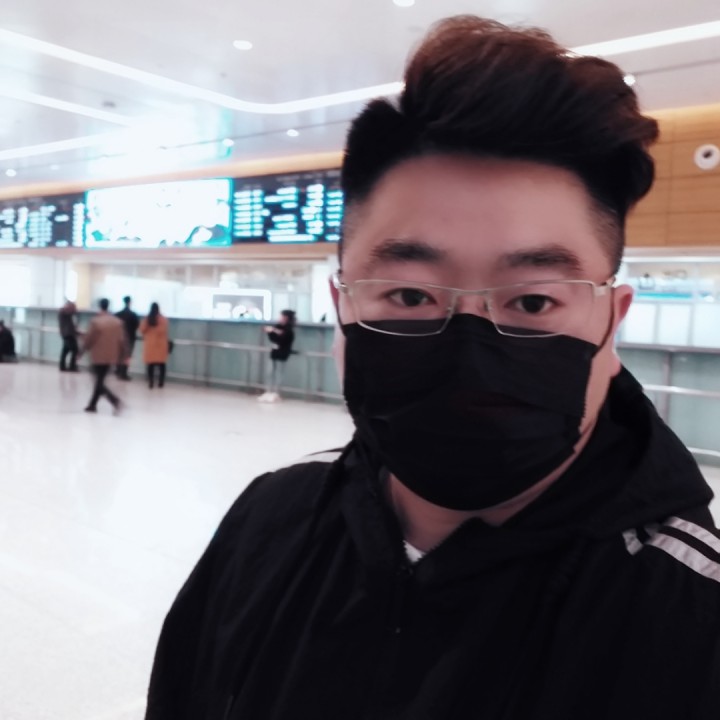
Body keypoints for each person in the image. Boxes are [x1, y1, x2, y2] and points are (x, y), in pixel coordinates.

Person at [145, 17, 720, 720]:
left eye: (533, 300)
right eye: (411, 296)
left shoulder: (691, 619)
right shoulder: (272, 519)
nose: (469, 350)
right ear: (342, 306)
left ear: (611, 320)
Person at [81, 298, 125, 413]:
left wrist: (81, 352)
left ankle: (115, 401)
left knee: (99, 382)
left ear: (99, 306)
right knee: (99, 380)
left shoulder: (96, 322)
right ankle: (92, 405)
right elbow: (121, 340)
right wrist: (124, 355)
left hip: (98, 356)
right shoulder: (117, 322)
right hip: (111, 355)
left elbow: (89, 339)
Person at [257, 309, 296, 402]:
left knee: (279, 373)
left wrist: (273, 332)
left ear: (286, 318)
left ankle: (276, 393)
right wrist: (270, 332)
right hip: (274, 353)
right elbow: (274, 339)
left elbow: (282, 340)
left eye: (282, 316)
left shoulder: (289, 330)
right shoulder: (277, 327)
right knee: (269, 372)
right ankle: (268, 391)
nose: (280, 318)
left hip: (282, 354)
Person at [140, 302, 169, 389]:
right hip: (161, 344)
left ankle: (151, 382)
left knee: (151, 365)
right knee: (162, 364)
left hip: (150, 345)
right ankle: (161, 382)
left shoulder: (147, 319)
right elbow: (164, 330)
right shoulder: (163, 319)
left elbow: (142, 329)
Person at [115, 295, 139, 380]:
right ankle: (124, 373)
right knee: (127, 355)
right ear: (130, 302)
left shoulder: (118, 314)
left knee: (119, 354)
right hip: (130, 337)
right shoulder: (133, 315)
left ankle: (118, 370)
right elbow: (136, 326)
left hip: (119, 336)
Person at [58, 300, 80, 372]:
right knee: (74, 350)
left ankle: (63, 366)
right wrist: (73, 308)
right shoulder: (64, 312)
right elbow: (72, 312)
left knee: (65, 350)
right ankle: (72, 366)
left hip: (67, 333)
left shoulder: (64, 312)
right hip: (68, 334)